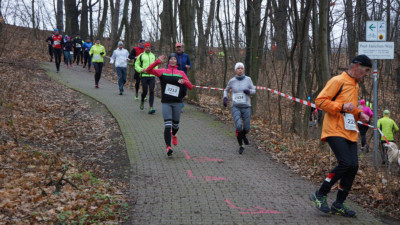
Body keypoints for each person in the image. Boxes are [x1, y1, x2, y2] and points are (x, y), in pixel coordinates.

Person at [310, 55, 372, 217]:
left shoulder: (355, 86)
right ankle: (320, 194)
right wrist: (341, 105)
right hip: (334, 129)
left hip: (350, 131)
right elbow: (320, 101)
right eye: (365, 70)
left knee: (353, 167)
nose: (366, 74)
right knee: (345, 163)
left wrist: (360, 114)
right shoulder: (337, 80)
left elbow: (350, 109)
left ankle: (338, 204)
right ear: (356, 66)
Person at [145, 53, 193, 156]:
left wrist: (184, 81)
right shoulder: (163, 72)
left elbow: (190, 86)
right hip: (166, 102)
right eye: (171, 59)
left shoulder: (181, 73)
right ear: (168, 61)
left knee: (175, 125)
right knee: (167, 125)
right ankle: (168, 147)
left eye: (174, 59)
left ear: (177, 61)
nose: (173, 61)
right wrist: (157, 61)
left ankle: (174, 134)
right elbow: (148, 70)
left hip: (177, 102)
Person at [223, 62, 256, 154]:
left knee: (247, 128)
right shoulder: (232, 81)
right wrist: (225, 98)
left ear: (243, 70)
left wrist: (249, 91)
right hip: (235, 107)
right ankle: (241, 145)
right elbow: (226, 90)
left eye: (241, 68)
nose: (240, 70)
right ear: (235, 70)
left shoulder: (248, 80)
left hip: (246, 106)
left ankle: (243, 135)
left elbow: (254, 91)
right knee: (238, 126)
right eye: (238, 68)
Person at [135, 43, 157, 114]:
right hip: (144, 76)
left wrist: (154, 70)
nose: (148, 48)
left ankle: (151, 107)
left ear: (150, 48)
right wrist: (141, 69)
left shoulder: (153, 56)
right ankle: (142, 101)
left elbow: (156, 65)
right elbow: (136, 65)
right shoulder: (141, 56)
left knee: (152, 91)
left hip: (152, 76)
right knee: (145, 91)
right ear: (144, 48)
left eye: (149, 47)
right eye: (146, 47)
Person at [169, 43, 192, 112]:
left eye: (180, 47)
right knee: (177, 90)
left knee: (184, 91)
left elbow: (190, 64)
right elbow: (168, 64)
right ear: (175, 48)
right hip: (175, 75)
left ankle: (180, 100)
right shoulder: (173, 56)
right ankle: (178, 105)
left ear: (182, 48)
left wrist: (189, 66)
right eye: (177, 47)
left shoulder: (186, 56)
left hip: (184, 75)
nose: (179, 48)